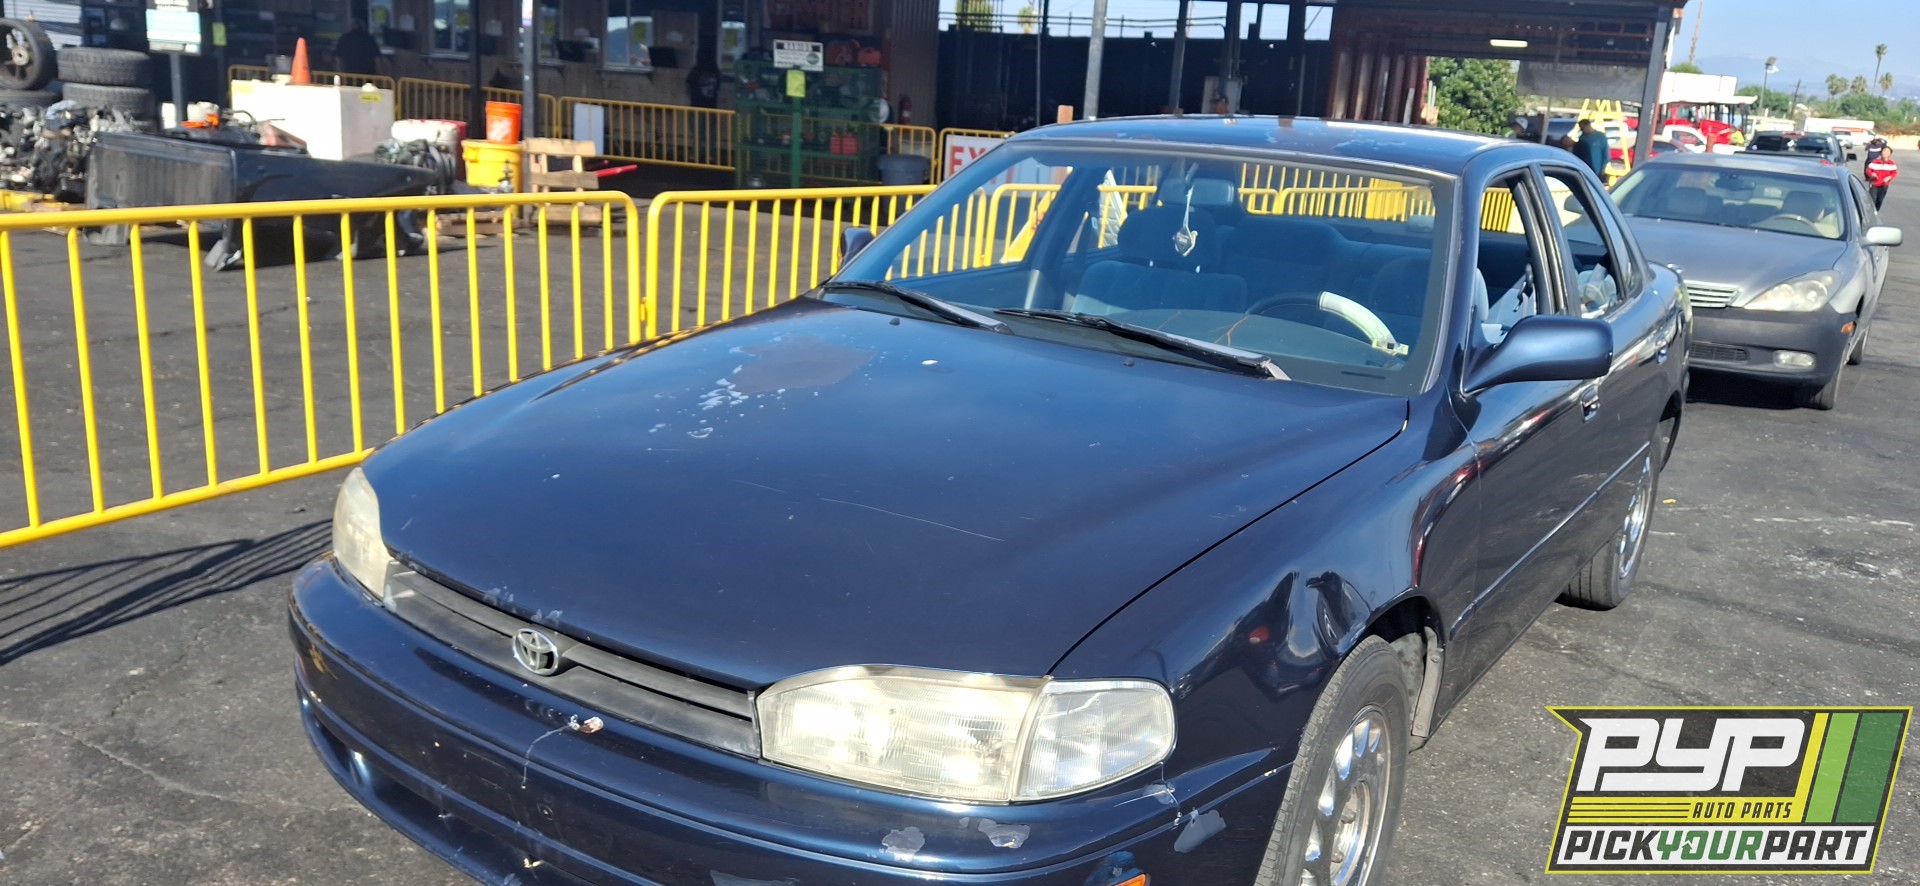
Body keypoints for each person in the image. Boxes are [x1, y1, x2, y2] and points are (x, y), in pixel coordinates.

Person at [1866, 145, 1898, 210]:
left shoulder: (1892, 163)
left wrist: (1889, 177)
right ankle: (1871, 211)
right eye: (1884, 151)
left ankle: (1876, 211)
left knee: (1880, 200)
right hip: (1874, 184)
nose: (1885, 153)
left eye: (1887, 152)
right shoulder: (1875, 162)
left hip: (1884, 185)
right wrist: (1872, 174)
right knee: (1873, 199)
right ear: (1881, 152)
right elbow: (1868, 170)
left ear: (1890, 154)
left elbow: (1894, 173)